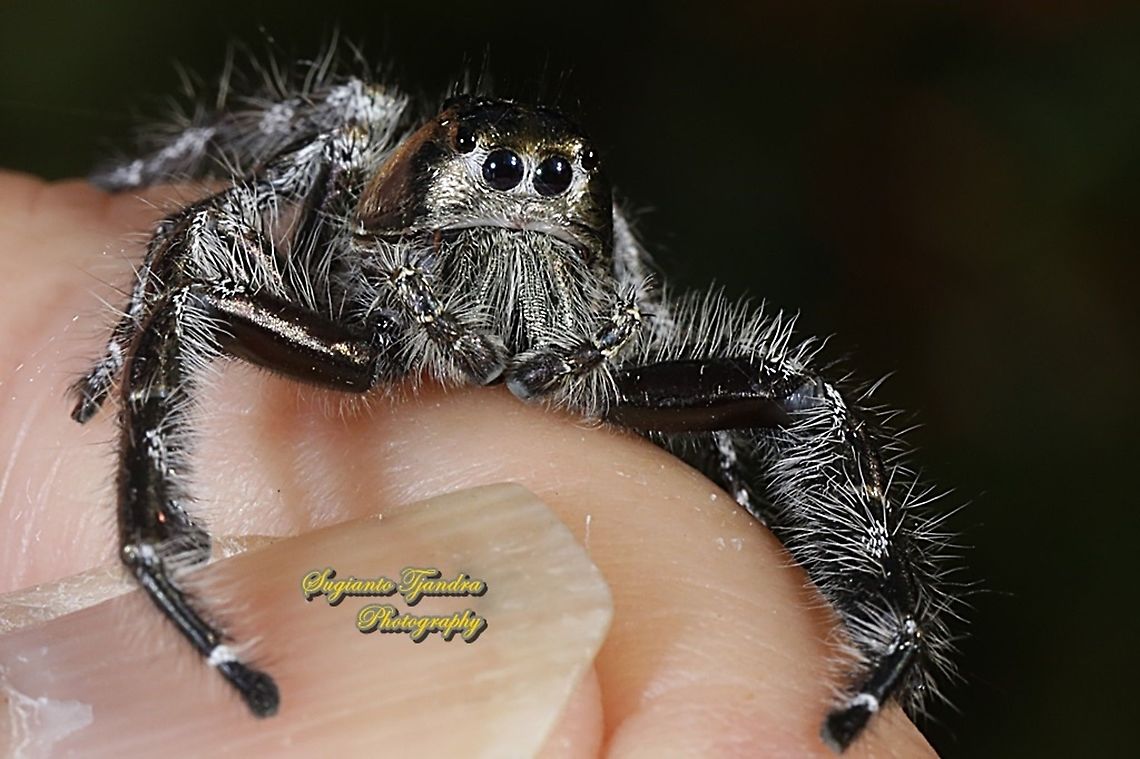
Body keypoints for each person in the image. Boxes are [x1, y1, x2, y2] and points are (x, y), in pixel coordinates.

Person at [0, 172, 935, 756]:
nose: (517, 211)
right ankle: (154, 551)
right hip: (367, 312)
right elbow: (199, 254)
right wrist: (130, 328)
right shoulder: (346, 244)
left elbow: (755, 392)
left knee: (805, 397)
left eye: (551, 193)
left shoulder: (601, 309)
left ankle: (886, 632)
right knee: (205, 279)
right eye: (489, 187)